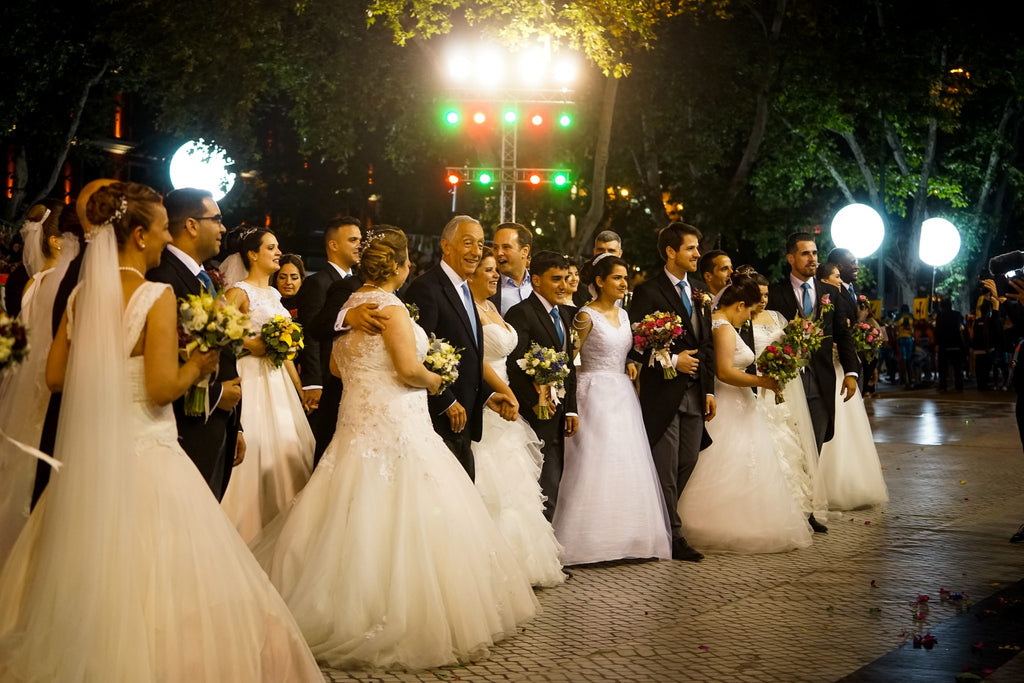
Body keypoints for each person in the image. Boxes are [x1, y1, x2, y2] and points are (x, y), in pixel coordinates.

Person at [0, 181, 321, 681]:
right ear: (144, 236)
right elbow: (161, 387)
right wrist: (201, 361)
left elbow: (57, 377)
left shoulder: (83, 293)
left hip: (94, 452)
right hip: (148, 447)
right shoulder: (156, 295)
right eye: (160, 230)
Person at [251, 228, 537, 670]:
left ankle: (333, 604)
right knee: (409, 512)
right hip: (398, 420)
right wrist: (436, 379)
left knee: (349, 510)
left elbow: (334, 365)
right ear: (401, 268)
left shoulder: (350, 306)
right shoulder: (394, 308)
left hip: (357, 422)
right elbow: (407, 369)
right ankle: (398, 614)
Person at [677, 275, 813, 554]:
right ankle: (722, 523)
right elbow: (725, 372)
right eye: (749, 311)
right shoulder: (724, 328)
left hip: (735, 402)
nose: (749, 317)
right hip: (729, 402)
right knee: (730, 461)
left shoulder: (716, 323)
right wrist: (763, 382)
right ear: (739, 305)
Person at [554, 254, 672, 564]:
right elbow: (569, 356)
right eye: (617, 278)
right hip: (593, 390)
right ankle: (588, 542)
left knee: (625, 459)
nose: (623, 283)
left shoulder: (623, 314)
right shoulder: (585, 316)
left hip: (622, 391)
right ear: (600, 282)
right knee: (595, 459)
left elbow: (625, 349)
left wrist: (634, 361)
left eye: (625, 277)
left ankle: (628, 538)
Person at [467, 247, 565, 586]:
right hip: (489, 399)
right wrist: (503, 393)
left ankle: (522, 564)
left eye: (497, 270)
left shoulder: (492, 307)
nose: (496, 276)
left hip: (511, 401)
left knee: (518, 487)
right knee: (490, 485)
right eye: (489, 270)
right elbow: (474, 359)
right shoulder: (469, 310)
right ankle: (490, 565)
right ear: (471, 274)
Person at [627, 222, 716, 562]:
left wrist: (710, 390)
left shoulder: (698, 292)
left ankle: (661, 521)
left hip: (696, 393)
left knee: (688, 460)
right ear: (671, 251)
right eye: (691, 248)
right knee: (664, 467)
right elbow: (634, 345)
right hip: (663, 393)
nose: (697, 254)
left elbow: (705, 345)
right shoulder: (648, 292)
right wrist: (672, 359)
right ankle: (673, 536)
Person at [147, 187, 243, 500]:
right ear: (191, 225)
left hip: (217, 422)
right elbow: (162, 357)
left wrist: (235, 424)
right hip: (184, 428)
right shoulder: (164, 278)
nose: (223, 228)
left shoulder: (206, 277)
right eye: (216, 219)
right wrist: (216, 396)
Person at [405, 216, 516, 481]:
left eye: (480, 244)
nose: (476, 251)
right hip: (439, 419)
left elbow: (469, 355)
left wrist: (488, 396)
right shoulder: (426, 289)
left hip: (467, 418)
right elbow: (418, 354)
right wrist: (447, 401)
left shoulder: (467, 290)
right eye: (468, 243)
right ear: (446, 246)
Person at [222, 229, 315, 541]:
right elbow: (218, 336)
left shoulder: (275, 296)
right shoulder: (238, 293)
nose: (278, 253)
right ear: (252, 254)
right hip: (251, 378)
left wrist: (299, 384)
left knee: (288, 444)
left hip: (278, 383)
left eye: (278, 247)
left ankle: (283, 533)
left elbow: (283, 351)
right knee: (257, 445)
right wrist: (251, 345)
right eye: (271, 248)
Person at [0, 201, 79, 559]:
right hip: (56, 383)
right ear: (57, 242)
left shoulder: (33, 282)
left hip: (29, 386)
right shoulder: (64, 282)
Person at [748, 270, 830, 530]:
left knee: (792, 447)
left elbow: (790, 350)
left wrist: (795, 350)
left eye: (766, 295)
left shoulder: (776, 317)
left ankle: (802, 510)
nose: (763, 300)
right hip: (756, 388)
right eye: (758, 295)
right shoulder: (741, 322)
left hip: (780, 387)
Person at [766, 232, 859, 453]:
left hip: (821, 381)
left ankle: (810, 487)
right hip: (787, 382)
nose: (812, 258)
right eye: (805, 253)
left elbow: (842, 334)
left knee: (815, 446)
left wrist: (851, 372)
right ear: (791, 258)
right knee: (789, 446)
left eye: (815, 253)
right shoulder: (776, 293)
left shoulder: (830, 293)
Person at [505, 250, 580, 521]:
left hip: (560, 415)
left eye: (566, 278)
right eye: (556, 279)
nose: (563, 285)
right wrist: (537, 403)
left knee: (554, 481)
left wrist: (570, 408)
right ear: (536, 280)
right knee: (538, 483)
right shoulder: (521, 313)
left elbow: (569, 364)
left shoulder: (565, 314)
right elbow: (514, 365)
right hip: (533, 414)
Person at [817, 265, 889, 511]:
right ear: (824, 279)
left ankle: (851, 481)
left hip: (842, 366)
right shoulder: (823, 300)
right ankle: (824, 484)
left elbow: (845, 332)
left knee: (850, 423)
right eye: (835, 276)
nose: (840, 281)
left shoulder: (843, 297)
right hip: (828, 366)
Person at [294, 217, 361, 462]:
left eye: (360, 240)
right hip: (325, 376)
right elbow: (311, 333)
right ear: (333, 245)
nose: (359, 245)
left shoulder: (360, 283)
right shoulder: (317, 282)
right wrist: (313, 382)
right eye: (353, 240)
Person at [490, 222, 533, 316]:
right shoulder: (488, 287)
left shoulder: (539, 283)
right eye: (496, 248)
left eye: (506, 247)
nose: (499, 253)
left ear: (525, 251)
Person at [895, 304, 916, 387]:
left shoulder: (898, 316)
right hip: (910, 339)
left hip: (901, 338)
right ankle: (910, 378)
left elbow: (894, 325)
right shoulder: (911, 316)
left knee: (902, 359)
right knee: (909, 359)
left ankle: (903, 378)